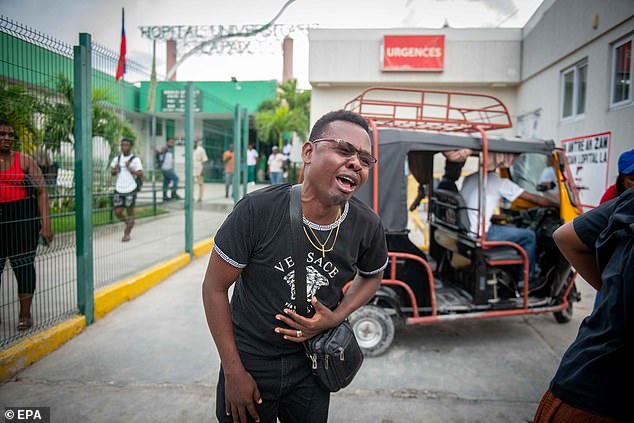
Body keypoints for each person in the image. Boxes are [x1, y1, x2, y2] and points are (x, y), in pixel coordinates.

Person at [202, 110, 388, 423]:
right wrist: (234, 371)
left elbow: (373, 274)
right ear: (308, 152)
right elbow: (214, 287)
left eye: (365, 159)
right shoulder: (257, 211)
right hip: (251, 360)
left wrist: (336, 317)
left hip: (313, 364)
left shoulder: (367, 225)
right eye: (344, 150)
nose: (356, 163)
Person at [533, 188, 634, 422]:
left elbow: (566, 236)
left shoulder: (624, 199)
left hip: (579, 382)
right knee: (527, 238)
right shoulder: (614, 195)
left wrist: (611, 293)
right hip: (598, 400)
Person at [460, 152, 558, 287]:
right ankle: (527, 280)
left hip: (467, 231)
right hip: (482, 234)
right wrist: (559, 204)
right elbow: (535, 199)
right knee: (529, 236)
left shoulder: (470, 177)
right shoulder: (499, 182)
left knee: (512, 229)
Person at [0, 119, 54, 331]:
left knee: (23, 266)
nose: (6, 138)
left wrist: (46, 224)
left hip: (22, 218)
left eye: (10, 135)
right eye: (2, 134)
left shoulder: (24, 160)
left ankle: (25, 314)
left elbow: (41, 190)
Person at [110, 138, 143, 242]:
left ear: (130, 147)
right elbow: (112, 172)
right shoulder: (117, 159)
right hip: (119, 188)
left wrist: (130, 169)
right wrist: (115, 170)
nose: (123, 147)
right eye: (122, 145)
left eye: (126, 145)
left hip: (130, 189)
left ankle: (126, 234)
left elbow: (141, 173)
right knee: (117, 212)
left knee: (130, 212)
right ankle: (129, 223)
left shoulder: (135, 160)